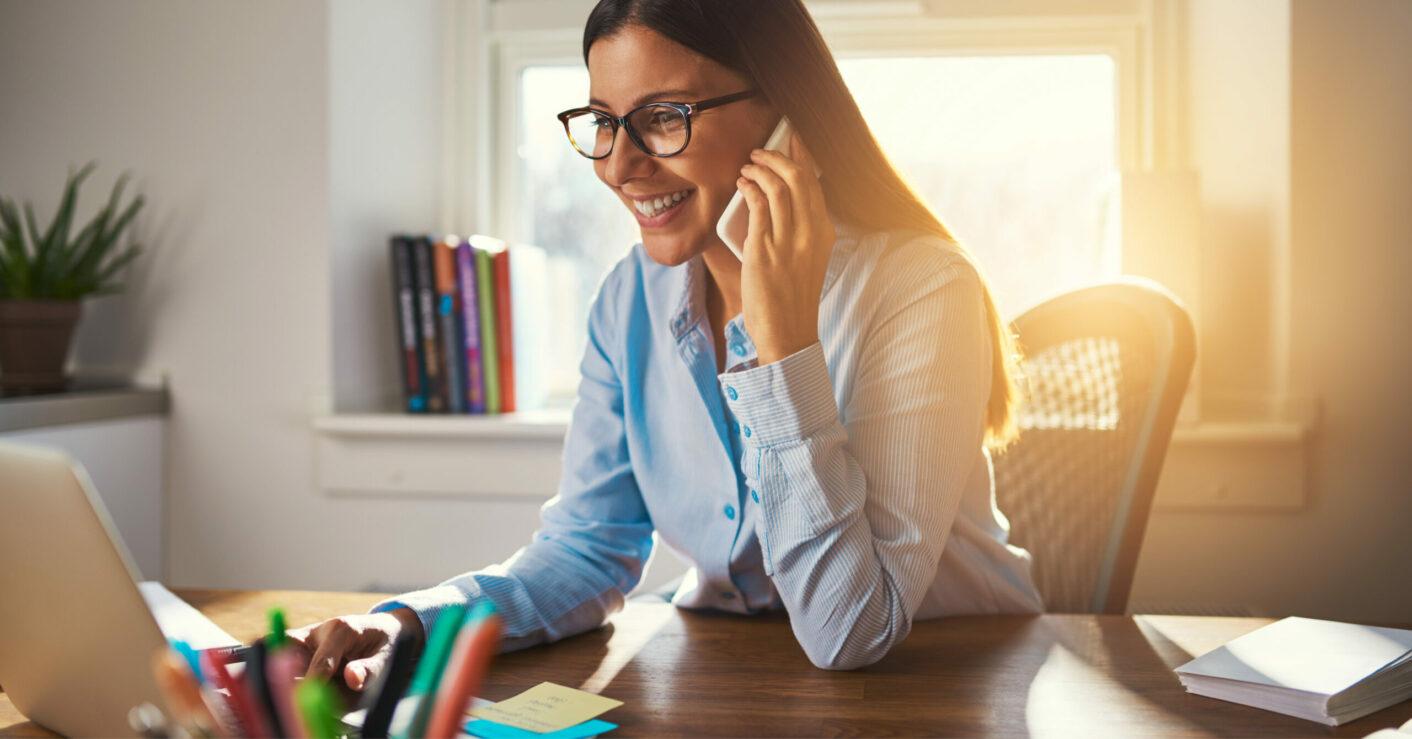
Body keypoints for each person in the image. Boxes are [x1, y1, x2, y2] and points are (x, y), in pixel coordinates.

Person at [287, 0, 1042, 683]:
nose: (619, 165)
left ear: (785, 112)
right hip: (740, 677)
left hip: (951, 680)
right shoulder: (630, 298)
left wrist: (783, 349)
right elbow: (586, 548)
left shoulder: (919, 287)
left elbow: (851, 628)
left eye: (664, 117)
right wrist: (408, 623)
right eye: (604, 121)